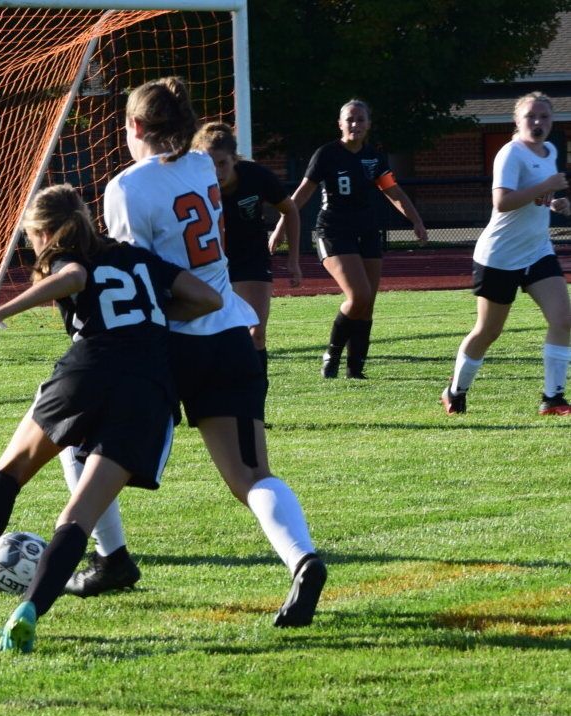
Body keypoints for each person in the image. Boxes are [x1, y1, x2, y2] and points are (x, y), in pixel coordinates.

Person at [0, 183, 222, 654]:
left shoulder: (68, 256)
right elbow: (209, 299)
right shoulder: (139, 257)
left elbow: (72, 278)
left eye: (32, 238)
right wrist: (151, 314)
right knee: (79, 515)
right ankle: (30, 609)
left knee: (10, 470)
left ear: (45, 233)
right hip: (147, 393)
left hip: (86, 373)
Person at [67, 76, 327, 628]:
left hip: (168, 345)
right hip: (229, 332)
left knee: (81, 443)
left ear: (135, 126)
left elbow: (137, 277)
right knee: (250, 475)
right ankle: (302, 559)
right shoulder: (203, 166)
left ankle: (110, 559)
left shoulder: (126, 187)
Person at [270, 99, 427, 379]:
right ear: (340, 124)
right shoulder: (327, 154)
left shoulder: (374, 157)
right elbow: (302, 193)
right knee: (358, 296)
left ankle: (355, 370)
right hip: (333, 231)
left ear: (369, 124)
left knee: (368, 303)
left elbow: (392, 191)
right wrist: (281, 226)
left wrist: (416, 220)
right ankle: (331, 355)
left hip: (366, 232)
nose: (355, 124)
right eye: (350, 119)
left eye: (360, 119)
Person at [442, 92, 571, 416]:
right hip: (500, 256)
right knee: (489, 331)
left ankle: (553, 398)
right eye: (530, 116)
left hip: (537, 251)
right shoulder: (510, 153)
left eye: (544, 116)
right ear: (517, 121)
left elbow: (537, 198)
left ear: (552, 120)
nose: (538, 122)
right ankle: (455, 391)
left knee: (564, 320)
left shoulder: (550, 150)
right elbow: (501, 202)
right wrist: (545, 187)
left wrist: (555, 202)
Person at [191, 122, 301, 395]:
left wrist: (293, 259)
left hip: (251, 259)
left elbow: (290, 210)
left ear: (234, 159)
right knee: (213, 337)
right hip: (209, 264)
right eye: (210, 165)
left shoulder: (256, 176)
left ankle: (255, 400)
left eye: (222, 164)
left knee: (256, 332)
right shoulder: (191, 183)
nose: (217, 172)